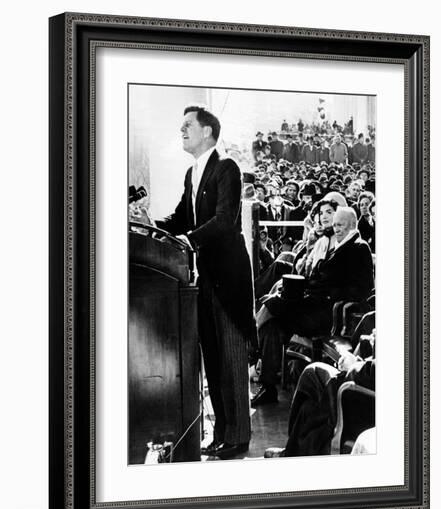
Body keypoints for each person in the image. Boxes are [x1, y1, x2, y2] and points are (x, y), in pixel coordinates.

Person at [156, 106, 255, 459]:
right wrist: (151, 223)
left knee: (231, 360)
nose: (181, 130)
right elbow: (182, 216)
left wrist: (189, 240)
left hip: (228, 280)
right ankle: (221, 434)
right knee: (213, 361)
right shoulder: (191, 172)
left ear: (208, 132)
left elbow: (225, 220)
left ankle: (239, 437)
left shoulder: (226, 168)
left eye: (188, 125)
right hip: (205, 281)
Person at [251, 207, 374, 406]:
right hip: (314, 306)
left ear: (353, 225)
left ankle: (250, 341)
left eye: (340, 225)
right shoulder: (341, 246)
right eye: (335, 225)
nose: (337, 229)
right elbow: (323, 277)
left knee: (274, 305)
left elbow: (360, 288)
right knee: (273, 320)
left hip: (328, 313)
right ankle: (268, 386)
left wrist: (319, 285)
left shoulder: (358, 247)